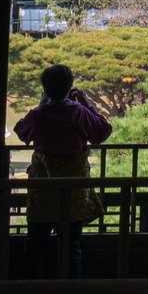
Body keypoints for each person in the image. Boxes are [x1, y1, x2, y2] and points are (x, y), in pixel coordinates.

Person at [14, 63, 108, 277]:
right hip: (73, 191)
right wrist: (86, 103)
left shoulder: (39, 114)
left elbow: (22, 133)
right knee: (72, 248)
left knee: (35, 247)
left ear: (45, 88)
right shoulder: (79, 112)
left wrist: (40, 104)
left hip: (43, 190)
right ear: (70, 87)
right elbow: (102, 132)